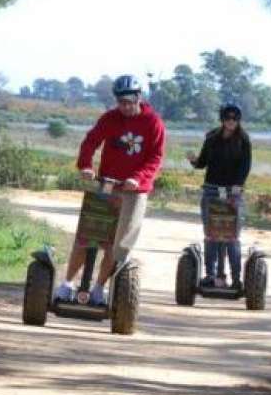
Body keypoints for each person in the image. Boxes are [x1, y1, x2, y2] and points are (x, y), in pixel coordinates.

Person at [55, 74, 165, 305]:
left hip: (135, 190)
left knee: (119, 243)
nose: (125, 106)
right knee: (88, 236)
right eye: (121, 102)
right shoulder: (110, 118)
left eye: (129, 102)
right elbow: (90, 141)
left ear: (138, 97)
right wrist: (85, 165)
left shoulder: (153, 122)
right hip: (107, 183)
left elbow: (156, 157)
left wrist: (137, 178)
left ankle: (98, 289)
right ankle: (67, 284)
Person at [187, 103, 252, 290]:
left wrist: (238, 187)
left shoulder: (244, 140)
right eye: (228, 118)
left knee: (232, 236)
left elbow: (245, 167)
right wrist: (193, 160)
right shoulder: (212, 137)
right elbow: (202, 162)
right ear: (222, 119)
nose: (231, 122)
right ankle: (211, 275)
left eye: (235, 118)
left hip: (233, 192)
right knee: (211, 235)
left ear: (238, 120)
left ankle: (236, 279)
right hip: (211, 189)